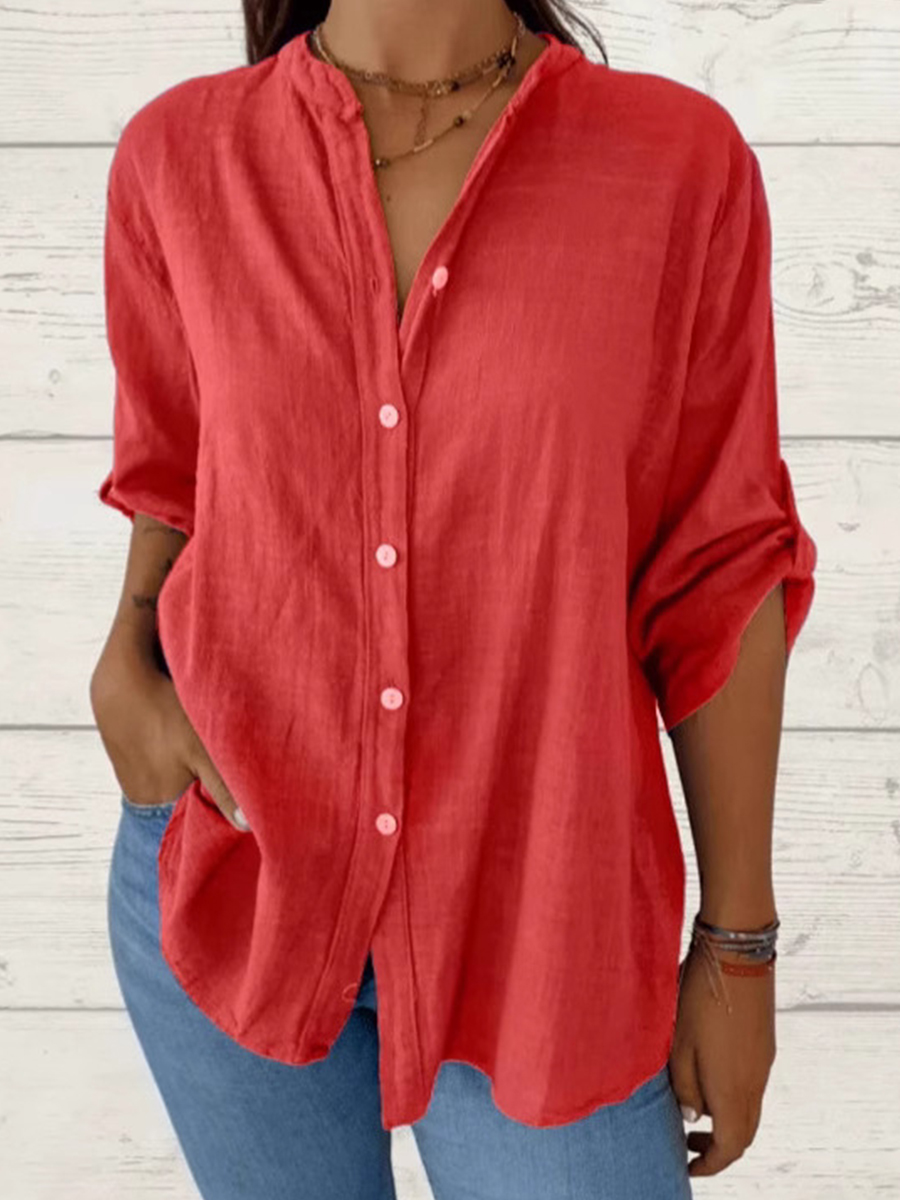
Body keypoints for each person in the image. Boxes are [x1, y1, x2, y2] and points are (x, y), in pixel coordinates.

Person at [90, 1, 818, 1197]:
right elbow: (174, 473)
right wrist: (126, 664)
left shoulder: (675, 163)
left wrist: (740, 945)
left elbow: (719, 566)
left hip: (545, 926)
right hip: (234, 874)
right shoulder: (179, 155)